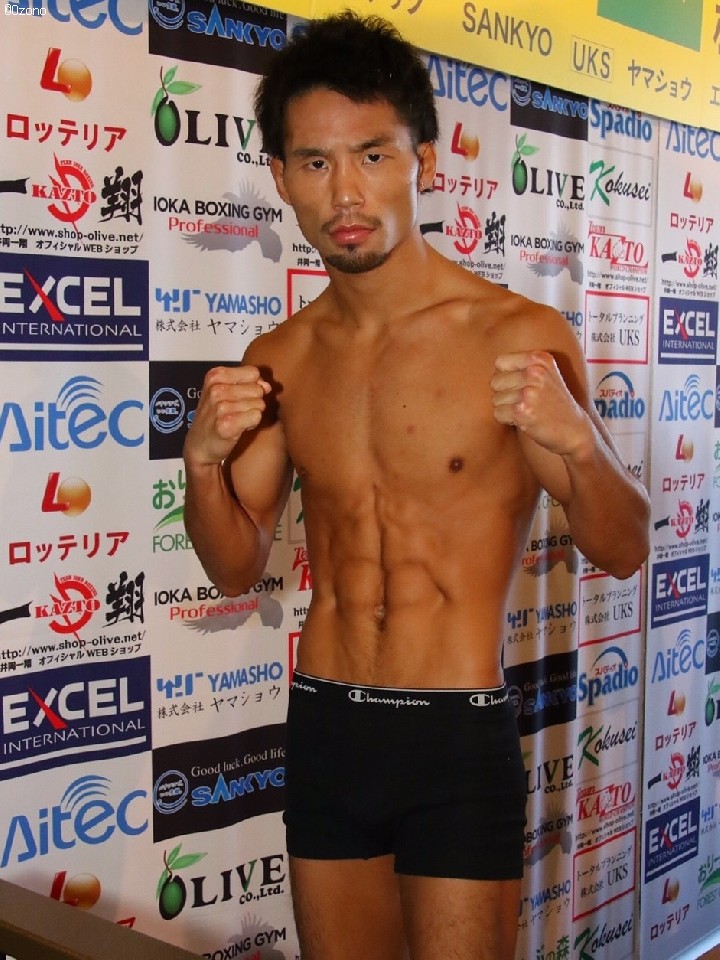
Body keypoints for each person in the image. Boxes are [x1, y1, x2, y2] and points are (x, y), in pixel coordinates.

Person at [182, 11, 650, 960]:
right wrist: (200, 466)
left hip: (453, 737)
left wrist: (579, 443)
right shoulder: (282, 357)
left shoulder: (515, 336)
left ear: (423, 163)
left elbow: (624, 548)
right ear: (281, 178)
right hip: (327, 724)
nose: (345, 192)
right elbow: (234, 567)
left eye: (373, 155)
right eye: (315, 163)